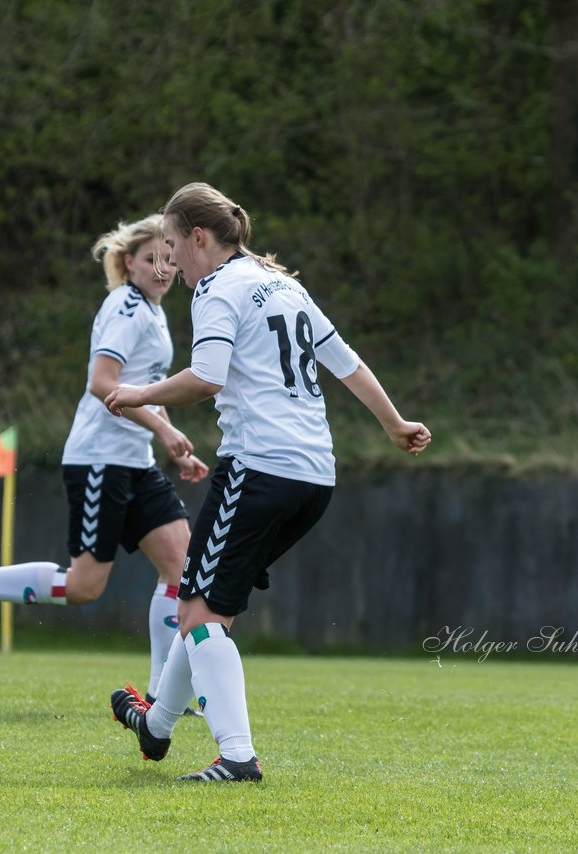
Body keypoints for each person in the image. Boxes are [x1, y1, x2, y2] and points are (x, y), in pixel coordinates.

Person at [104, 182, 431, 782]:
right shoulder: (285, 285)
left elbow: (207, 377)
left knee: (198, 612)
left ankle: (236, 757)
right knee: (207, 610)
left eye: (174, 247)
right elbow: (346, 361)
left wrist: (140, 395)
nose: (172, 262)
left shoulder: (218, 289)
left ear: (198, 238)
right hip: (314, 476)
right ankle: (155, 728)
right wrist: (394, 423)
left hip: (259, 466)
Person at [0, 214, 209, 705]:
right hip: (99, 460)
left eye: (167, 258)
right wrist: (162, 426)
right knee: (83, 587)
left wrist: (170, 438)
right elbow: (102, 383)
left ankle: (161, 696)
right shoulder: (125, 307)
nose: (161, 268)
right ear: (127, 263)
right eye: (150, 259)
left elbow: (143, 389)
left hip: (135, 463)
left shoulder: (155, 314)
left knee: (181, 569)